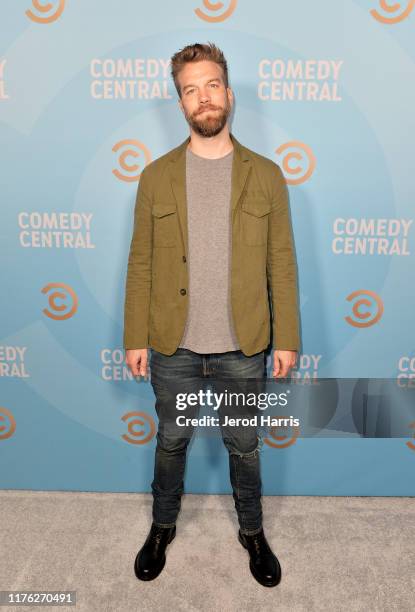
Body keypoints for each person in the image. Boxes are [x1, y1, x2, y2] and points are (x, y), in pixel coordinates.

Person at [123, 42, 300, 588]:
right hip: (172, 345)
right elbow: (141, 262)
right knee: (171, 442)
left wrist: (287, 337)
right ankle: (161, 527)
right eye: (190, 89)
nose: (203, 98)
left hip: (242, 346)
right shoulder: (154, 176)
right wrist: (135, 336)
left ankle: (252, 531)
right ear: (180, 104)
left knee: (244, 446)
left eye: (211, 85)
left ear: (228, 92)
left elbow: (282, 264)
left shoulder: (267, 175)